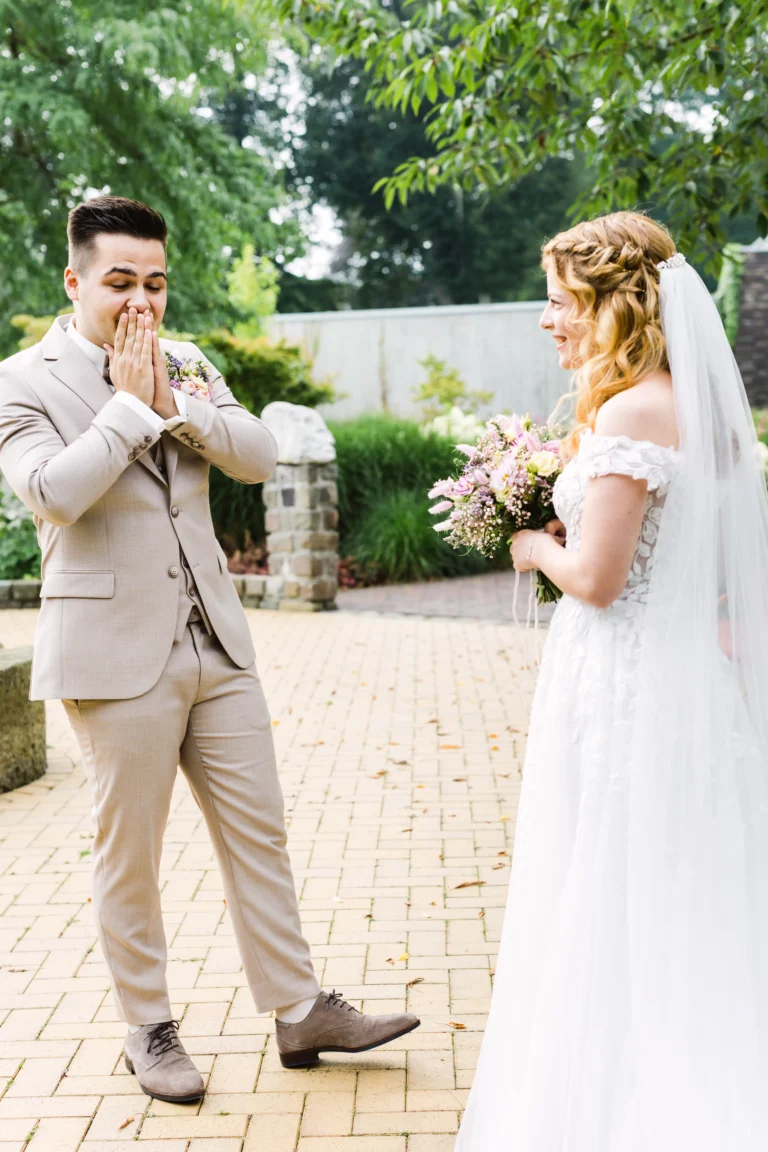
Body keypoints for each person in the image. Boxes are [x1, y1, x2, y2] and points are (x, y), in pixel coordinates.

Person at [0, 196, 419, 1105]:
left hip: (216, 640)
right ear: (74, 282)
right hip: (112, 652)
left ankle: (300, 1010)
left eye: (155, 283)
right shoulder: (21, 380)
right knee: (130, 851)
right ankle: (147, 1027)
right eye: (120, 283)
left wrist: (174, 405)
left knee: (258, 829)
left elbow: (259, 454)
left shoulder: (186, 362)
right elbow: (52, 492)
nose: (141, 302)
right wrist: (127, 407)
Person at [455, 211, 768, 1150]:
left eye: (560, 301)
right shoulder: (684, 405)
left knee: (609, 874)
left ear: (613, 306)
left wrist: (531, 548)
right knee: (679, 881)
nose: (545, 318)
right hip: (678, 678)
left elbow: (595, 580)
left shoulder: (633, 410)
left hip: (628, 682)